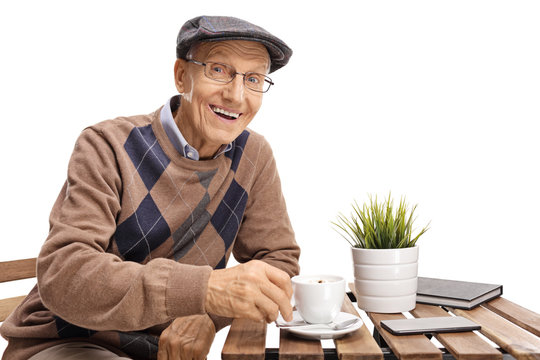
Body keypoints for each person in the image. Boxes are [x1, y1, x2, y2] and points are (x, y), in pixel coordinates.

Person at [0, 15, 300, 360]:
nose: (236, 95)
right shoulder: (108, 145)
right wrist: (203, 290)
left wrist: (206, 315)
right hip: (66, 341)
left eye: (253, 79)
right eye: (219, 70)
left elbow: (278, 261)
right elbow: (65, 274)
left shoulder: (254, 155)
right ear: (181, 76)